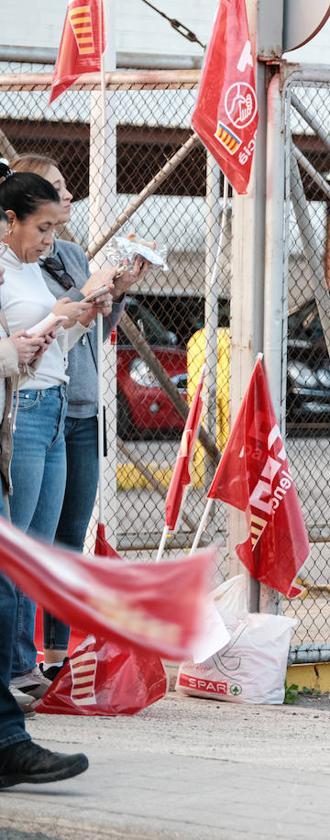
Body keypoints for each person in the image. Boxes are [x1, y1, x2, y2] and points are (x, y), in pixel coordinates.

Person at [9, 154, 146, 679]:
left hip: (75, 402)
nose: (68, 198)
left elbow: (85, 331)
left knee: (63, 539)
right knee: (26, 544)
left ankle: (53, 659)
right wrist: (75, 301)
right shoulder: (14, 268)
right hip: (31, 406)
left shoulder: (67, 254)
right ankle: (22, 665)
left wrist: (112, 294)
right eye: (57, 189)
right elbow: (39, 328)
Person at [0, 166, 114, 709]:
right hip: (21, 411)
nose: (49, 241)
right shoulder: (2, 269)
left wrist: (76, 318)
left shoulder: (28, 270)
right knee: (16, 549)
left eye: (53, 230)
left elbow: (52, 349)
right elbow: (16, 347)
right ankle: (12, 668)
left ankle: (22, 665)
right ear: (10, 220)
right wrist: (54, 320)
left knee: (37, 551)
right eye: (41, 228)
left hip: (53, 403)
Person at [0, 230, 89, 788]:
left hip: (18, 419)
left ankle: (8, 741)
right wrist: (11, 351)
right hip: (25, 411)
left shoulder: (30, 266)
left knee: (13, 578)